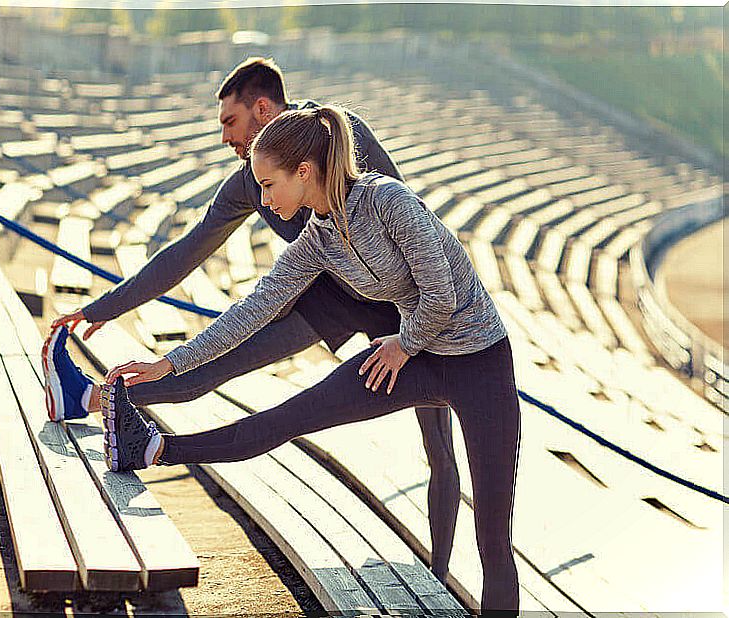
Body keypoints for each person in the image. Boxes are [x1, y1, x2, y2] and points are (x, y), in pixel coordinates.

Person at [45, 57, 461, 583]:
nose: (224, 138)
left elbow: (407, 224)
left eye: (229, 122)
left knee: (438, 445)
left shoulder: (340, 132)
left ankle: (441, 575)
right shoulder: (247, 185)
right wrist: (101, 309)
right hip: (324, 298)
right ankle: (84, 397)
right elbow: (186, 253)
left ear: (261, 109)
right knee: (204, 373)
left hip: (399, 306)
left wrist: (416, 327)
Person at [94, 105, 521, 613]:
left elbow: (443, 295)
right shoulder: (317, 239)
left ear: (303, 172)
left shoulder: (388, 201)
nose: (265, 200)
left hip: (479, 365)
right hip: (415, 358)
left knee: (493, 540)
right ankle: (157, 449)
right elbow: (253, 309)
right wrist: (170, 363)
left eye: (269, 185)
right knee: (288, 418)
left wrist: (404, 344)